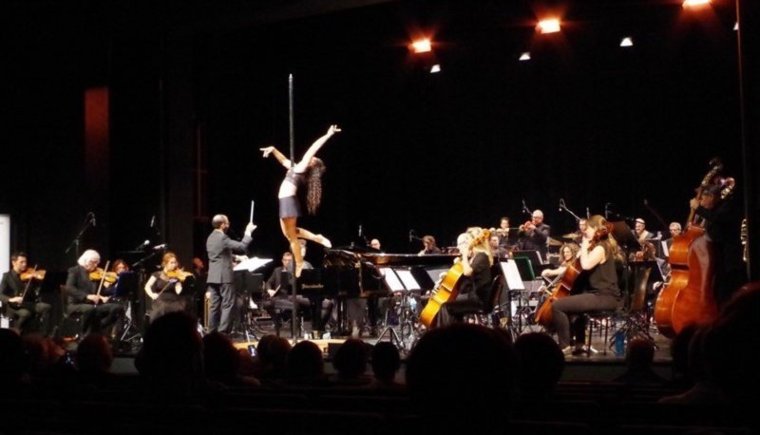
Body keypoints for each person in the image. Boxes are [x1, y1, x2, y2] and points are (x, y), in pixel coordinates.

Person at [260, 124, 340, 278]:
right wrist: (273, 149)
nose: (311, 157)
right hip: (286, 201)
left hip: (288, 201)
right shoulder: (296, 168)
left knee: (291, 236)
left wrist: (328, 135)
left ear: (312, 165)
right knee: (290, 234)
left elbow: (313, 147)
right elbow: (284, 160)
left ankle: (299, 263)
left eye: (313, 159)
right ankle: (317, 237)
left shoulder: (302, 167)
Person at [551, 215, 622, 355]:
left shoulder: (602, 248)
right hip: (601, 295)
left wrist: (583, 247)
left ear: (596, 229)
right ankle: (580, 344)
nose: (585, 231)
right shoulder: (599, 246)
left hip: (605, 296)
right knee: (577, 302)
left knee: (557, 306)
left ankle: (564, 348)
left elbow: (586, 264)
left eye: (588, 228)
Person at [689, 183, 746, 308]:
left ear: (711, 197)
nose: (701, 201)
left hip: (728, 261)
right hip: (717, 261)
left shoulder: (726, 207)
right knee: (718, 293)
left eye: (703, 198)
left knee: (726, 294)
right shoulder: (714, 210)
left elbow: (718, 219)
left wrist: (699, 209)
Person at [206, 214, 256, 334]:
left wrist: (237, 257)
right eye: (227, 223)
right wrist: (248, 232)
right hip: (224, 276)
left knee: (214, 306)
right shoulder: (222, 238)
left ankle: (211, 333)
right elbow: (242, 246)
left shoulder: (210, 237)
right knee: (228, 304)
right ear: (222, 225)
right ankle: (223, 333)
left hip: (213, 276)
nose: (228, 225)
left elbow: (219, 253)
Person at [435, 227, 493, 327]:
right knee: (449, 303)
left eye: (462, 245)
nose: (460, 248)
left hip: (478, 300)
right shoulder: (475, 257)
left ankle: (445, 336)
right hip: (472, 296)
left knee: (446, 307)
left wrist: (465, 256)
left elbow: (467, 272)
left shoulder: (482, 256)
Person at [64, 249, 126, 336]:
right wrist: (86, 296)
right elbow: (69, 288)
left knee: (118, 308)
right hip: (76, 305)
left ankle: (111, 336)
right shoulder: (75, 271)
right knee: (90, 309)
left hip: (93, 305)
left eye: (97, 263)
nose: (96, 265)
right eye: (94, 262)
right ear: (87, 261)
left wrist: (113, 290)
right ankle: (84, 336)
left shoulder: (95, 273)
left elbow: (102, 291)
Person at [0, 252, 52, 336]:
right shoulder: (7, 276)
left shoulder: (28, 275)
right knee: (26, 313)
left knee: (47, 307)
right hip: (12, 306)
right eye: (21, 262)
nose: (24, 264)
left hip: (27, 303)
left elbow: (34, 291)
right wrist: (11, 299)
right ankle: (15, 333)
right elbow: (0, 294)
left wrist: (37, 282)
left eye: (25, 262)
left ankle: (44, 335)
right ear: (13, 262)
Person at [144, 251, 189, 322]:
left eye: (175, 262)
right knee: (163, 307)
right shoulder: (157, 274)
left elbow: (178, 291)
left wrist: (179, 285)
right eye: (171, 263)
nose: (174, 265)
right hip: (161, 299)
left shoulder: (176, 275)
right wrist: (152, 294)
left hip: (174, 299)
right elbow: (147, 286)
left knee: (181, 306)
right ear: (165, 263)